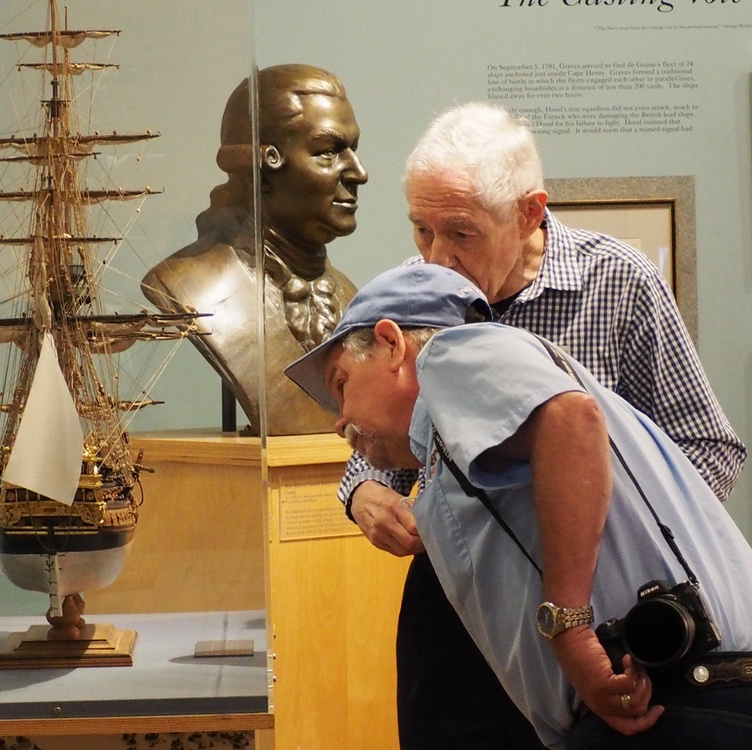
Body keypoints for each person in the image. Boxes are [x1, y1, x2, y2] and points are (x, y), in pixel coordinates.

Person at [336, 103, 746, 749]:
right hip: (466, 598)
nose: (437, 258)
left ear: (530, 212)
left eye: (461, 234)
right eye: (421, 231)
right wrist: (363, 492)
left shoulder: (618, 279)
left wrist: (596, 540)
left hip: (605, 612)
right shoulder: (413, 295)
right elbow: (382, 446)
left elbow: (705, 446)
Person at [286, 260, 752, 750]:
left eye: (341, 385)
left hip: (681, 700)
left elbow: (569, 419)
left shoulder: (449, 354)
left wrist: (569, 629)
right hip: (664, 699)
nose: (341, 421)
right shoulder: (452, 438)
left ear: (391, 342)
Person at [142, 63, 368, 435]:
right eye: (328, 151)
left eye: (353, 149)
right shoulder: (195, 290)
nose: (359, 172)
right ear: (265, 164)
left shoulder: (352, 298)